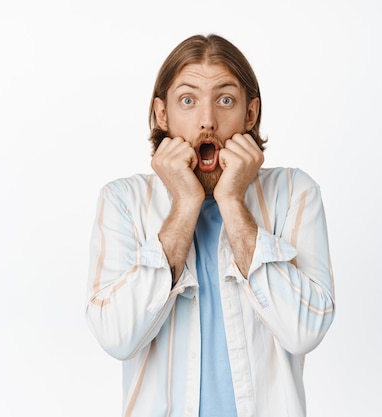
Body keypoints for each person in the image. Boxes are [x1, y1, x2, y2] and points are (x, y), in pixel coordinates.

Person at [86, 33, 335, 417]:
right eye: (188, 101)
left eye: (225, 100)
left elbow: (304, 331)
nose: (207, 122)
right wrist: (185, 205)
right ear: (162, 114)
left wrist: (233, 202)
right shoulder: (122, 201)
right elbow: (117, 336)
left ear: (250, 115)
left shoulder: (294, 192)